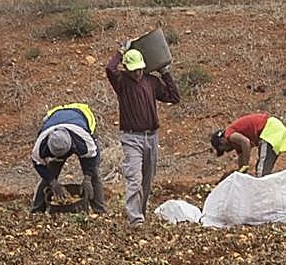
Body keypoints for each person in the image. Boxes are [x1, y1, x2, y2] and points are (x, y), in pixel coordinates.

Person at [104, 46, 180, 224]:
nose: (138, 73)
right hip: (132, 138)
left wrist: (165, 73)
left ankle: (141, 213)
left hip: (151, 137)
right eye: (134, 70)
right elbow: (110, 69)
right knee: (134, 178)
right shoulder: (121, 81)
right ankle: (135, 219)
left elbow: (173, 97)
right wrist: (120, 52)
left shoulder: (150, 81)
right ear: (127, 69)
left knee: (147, 178)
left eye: (140, 69)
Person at [30, 102, 106, 214]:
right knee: (50, 174)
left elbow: (92, 157)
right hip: (56, 118)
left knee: (94, 175)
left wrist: (87, 178)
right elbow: (38, 164)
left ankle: (100, 212)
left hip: (81, 117)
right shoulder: (41, 144)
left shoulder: (83, 140)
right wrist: (52, 182)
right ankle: (36, 211)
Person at [210, 112, 286, 177]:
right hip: (275, 130)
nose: (226, 151)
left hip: (270, 130)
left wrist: (246, 165)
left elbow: (246, 142)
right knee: (264, 172)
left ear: (222, 141)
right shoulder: (236, 144)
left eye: (223, 149)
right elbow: (241, 157)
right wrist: (241, 173)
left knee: (261, 173)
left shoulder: (229, 135)